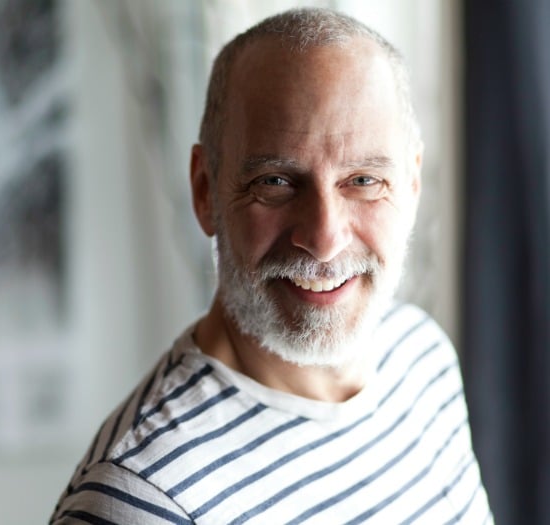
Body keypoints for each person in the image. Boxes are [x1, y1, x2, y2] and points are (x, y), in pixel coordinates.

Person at [50, 8, 493, 524]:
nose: (324, 240)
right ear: (205, 191)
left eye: (363, 180)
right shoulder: (144, 500)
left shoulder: (420, 353)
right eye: (276, 182)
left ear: (411, 185)